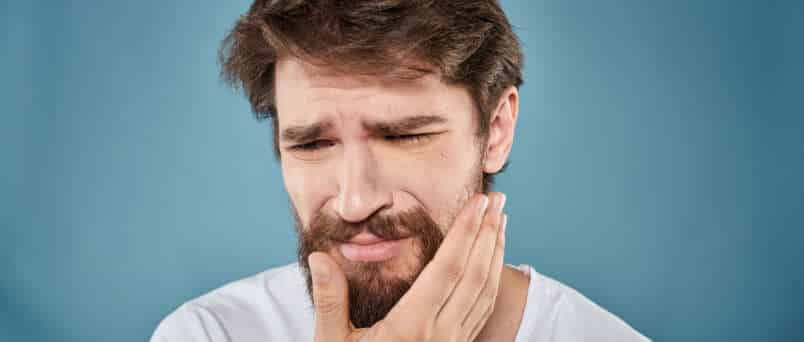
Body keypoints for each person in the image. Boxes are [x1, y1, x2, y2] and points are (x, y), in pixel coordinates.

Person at [151, 1, 649, 341]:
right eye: (313, 143)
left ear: (495, 131)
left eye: (403, 136)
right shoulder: (209, 334)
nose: (355, 201)